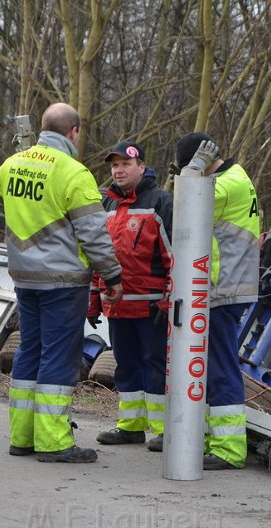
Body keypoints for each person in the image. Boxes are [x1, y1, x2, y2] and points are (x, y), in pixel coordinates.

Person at [0, 102, 123, 463]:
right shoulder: (74, 174)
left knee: (29, 351)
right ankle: (53, 442)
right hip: (63, 281)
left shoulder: (11, 164)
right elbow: (94, 234)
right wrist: (112, 275)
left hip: (24, 277)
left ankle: (23, 436)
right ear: (74, 132)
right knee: (59, 358)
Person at [175, 132, 261, 470]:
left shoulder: (224, 185)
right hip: (220, 286)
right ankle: (214, 440)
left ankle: (228, 449)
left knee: (221, 368)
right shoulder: (231, 179)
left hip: (224, 288)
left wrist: (193, 171)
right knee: (210, 368)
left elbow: (186, 208)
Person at [88, 141, 173, 453]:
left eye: (125, 164)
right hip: (117, 304)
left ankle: (164, 430)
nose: (118, 170)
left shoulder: (161, 202)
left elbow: (174, 255)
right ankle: (131, 426)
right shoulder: (107, 204)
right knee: (125, 364)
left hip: (151, 305)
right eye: (114, 165)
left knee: (156, 365)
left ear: (141, 167)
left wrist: (168, 296)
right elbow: (101, 256)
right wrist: (95, 297)